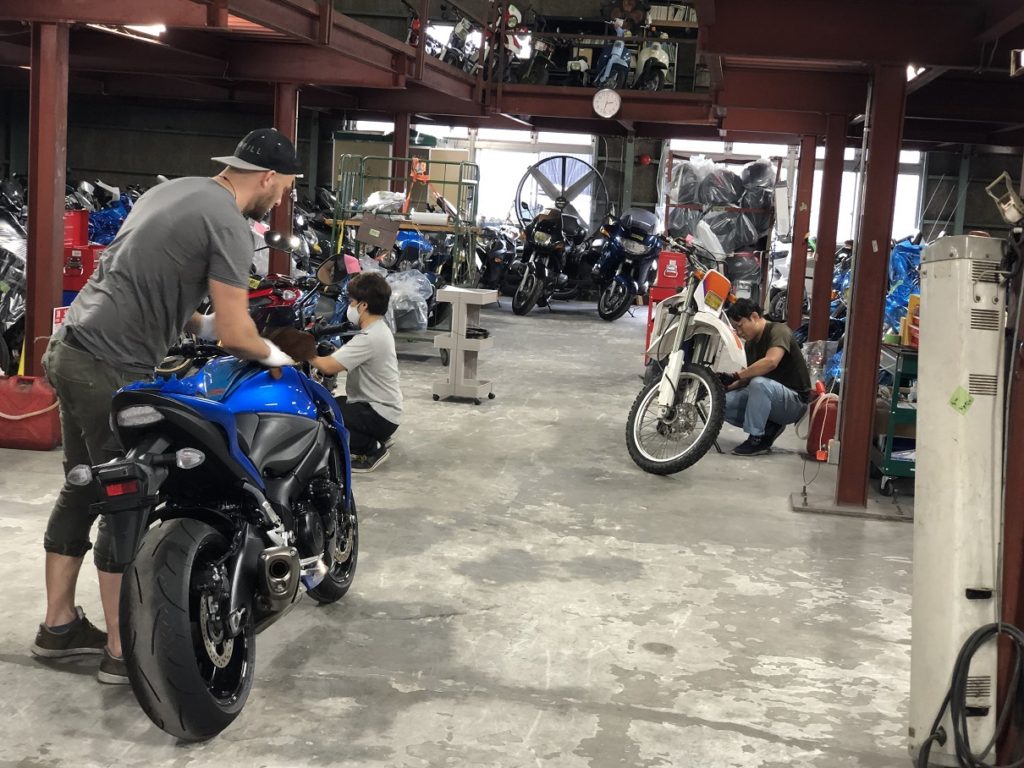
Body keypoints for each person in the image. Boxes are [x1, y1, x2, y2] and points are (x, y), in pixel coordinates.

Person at [33, 128, 301, 684]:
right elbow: (235, 334)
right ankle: (119, 649)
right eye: (285, 187)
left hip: (72, 347)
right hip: (111, 363)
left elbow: (147, 277)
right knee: (125, 498)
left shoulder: (172, 191)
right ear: (268, 177)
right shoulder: (230, 224)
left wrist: (194, 323)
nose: (282, 198)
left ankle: (58, 627)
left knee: (84, 483)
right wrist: (277, 352)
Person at [308, 272, 402, 473]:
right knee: (332, 404)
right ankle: (374, 436)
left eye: (352, 302)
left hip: (379, 413)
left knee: (323, 420)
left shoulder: (369, 337)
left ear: (363, 305)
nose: (349, 307)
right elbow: (341, 356)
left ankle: (371, 448)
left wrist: (301, 349)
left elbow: (328, 367)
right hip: (382, 408)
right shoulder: (378, 329)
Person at [721, 298, 812, 456]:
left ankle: (756, 439)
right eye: (736, 329)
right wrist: (722, 386)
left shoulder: (778, 331)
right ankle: (769, 426)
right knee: (721, 403)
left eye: (740, 326)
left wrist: (735, 375)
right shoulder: (751, 344)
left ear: (754, 317)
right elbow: (745, 378)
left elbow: (771, 362)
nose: (740, 333)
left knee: (759, 384)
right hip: (770, 395)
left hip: (795, 402)